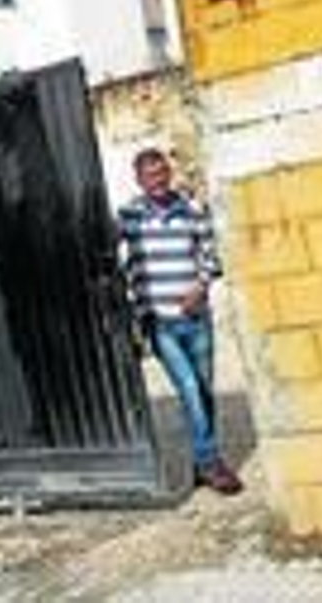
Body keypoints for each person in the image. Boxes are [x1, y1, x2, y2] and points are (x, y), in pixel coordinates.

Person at [117, 147, 243, 495]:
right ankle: (211, 463)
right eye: (149, 176)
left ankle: (201, 462)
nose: (157, 181)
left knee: (202, 392)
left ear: (168, 174)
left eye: (161, 174)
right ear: (139, 180)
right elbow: (108, 254)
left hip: (196, 318)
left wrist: (200, 286)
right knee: (188, 388)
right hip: (159, 321)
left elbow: (211, 255)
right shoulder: (128, 216)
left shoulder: (191, 211)